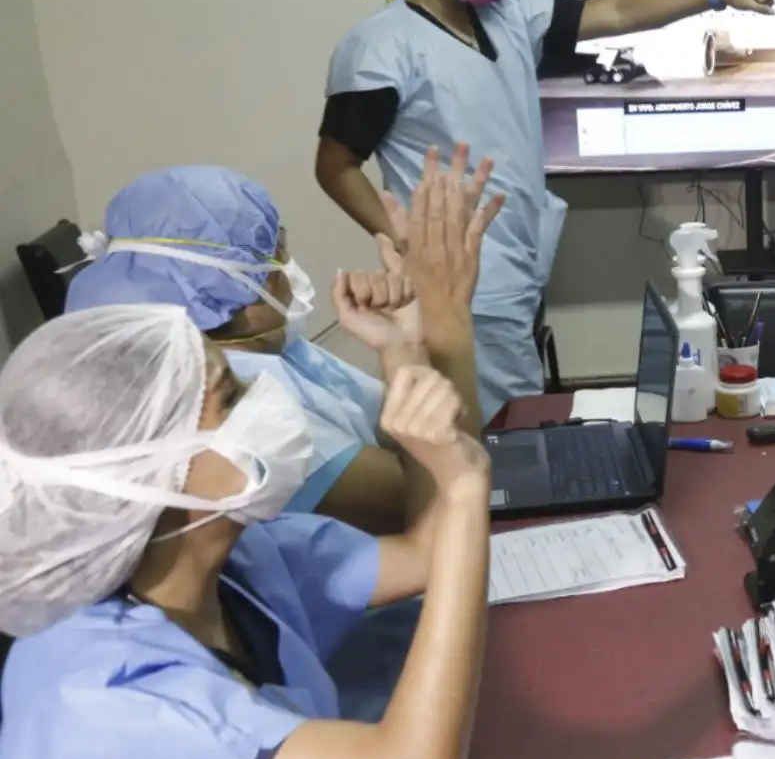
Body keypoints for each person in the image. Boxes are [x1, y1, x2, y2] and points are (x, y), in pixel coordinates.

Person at [0, 304, 492, 759]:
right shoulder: (96, 696)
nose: (269, 401)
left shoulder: (243, 563)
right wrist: (462, 489)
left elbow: (427, 555)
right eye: (231, 399)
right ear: (148, 472)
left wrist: (403, 359)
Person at [316, 0, 775, 418]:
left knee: (503, 417)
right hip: (460, 281)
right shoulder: (380, 48)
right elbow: (335, 166)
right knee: (495, 428)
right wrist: (408, 242)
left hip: (517, 264)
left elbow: (618, 10)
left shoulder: (509, 15)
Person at [65, 149, 495, 536]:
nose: (289, 272)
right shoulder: (241, 403)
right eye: (278, 256)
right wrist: (446, 319)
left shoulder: (278, 353)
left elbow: (422, 437)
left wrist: (410, 339)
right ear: (243, 288)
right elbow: (438, 500)